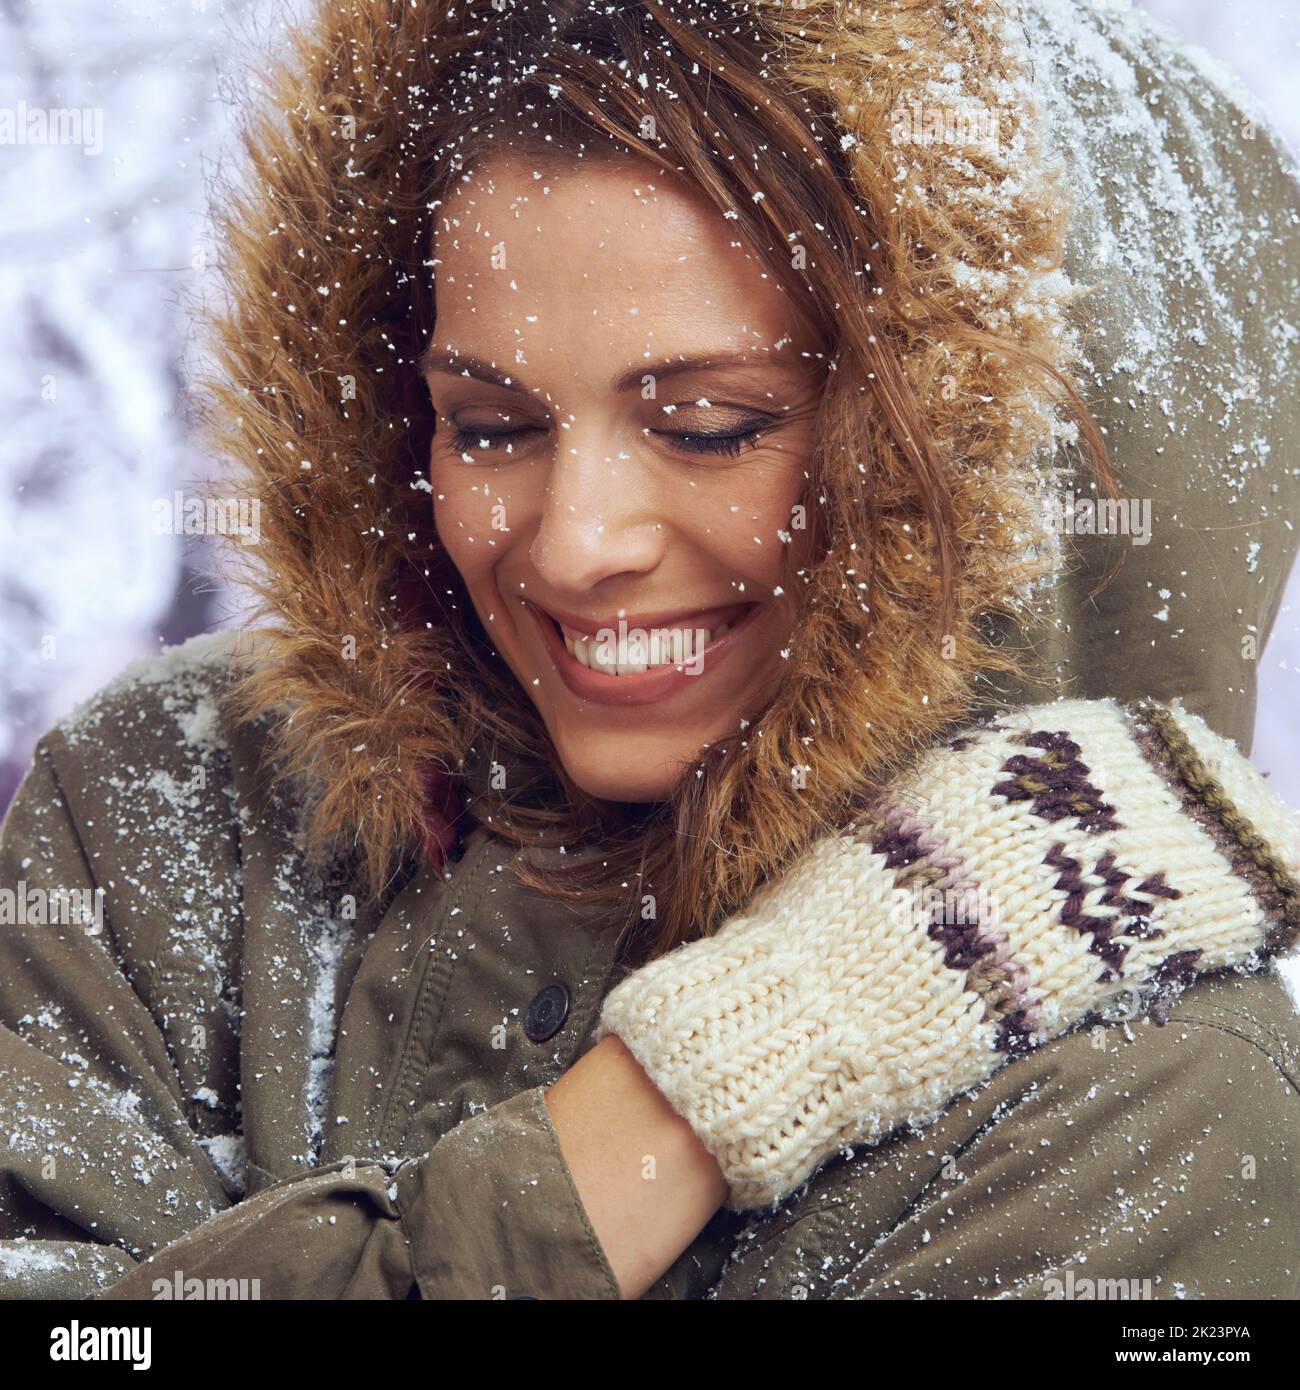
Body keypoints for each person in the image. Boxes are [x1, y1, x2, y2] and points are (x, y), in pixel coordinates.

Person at [1, 0, 1298, 1301]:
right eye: (493, 425)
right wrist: (675, 1101)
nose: (573, 548)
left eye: (710, 425)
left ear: (978, 463)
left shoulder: (1156, 1104)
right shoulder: (163, 811)